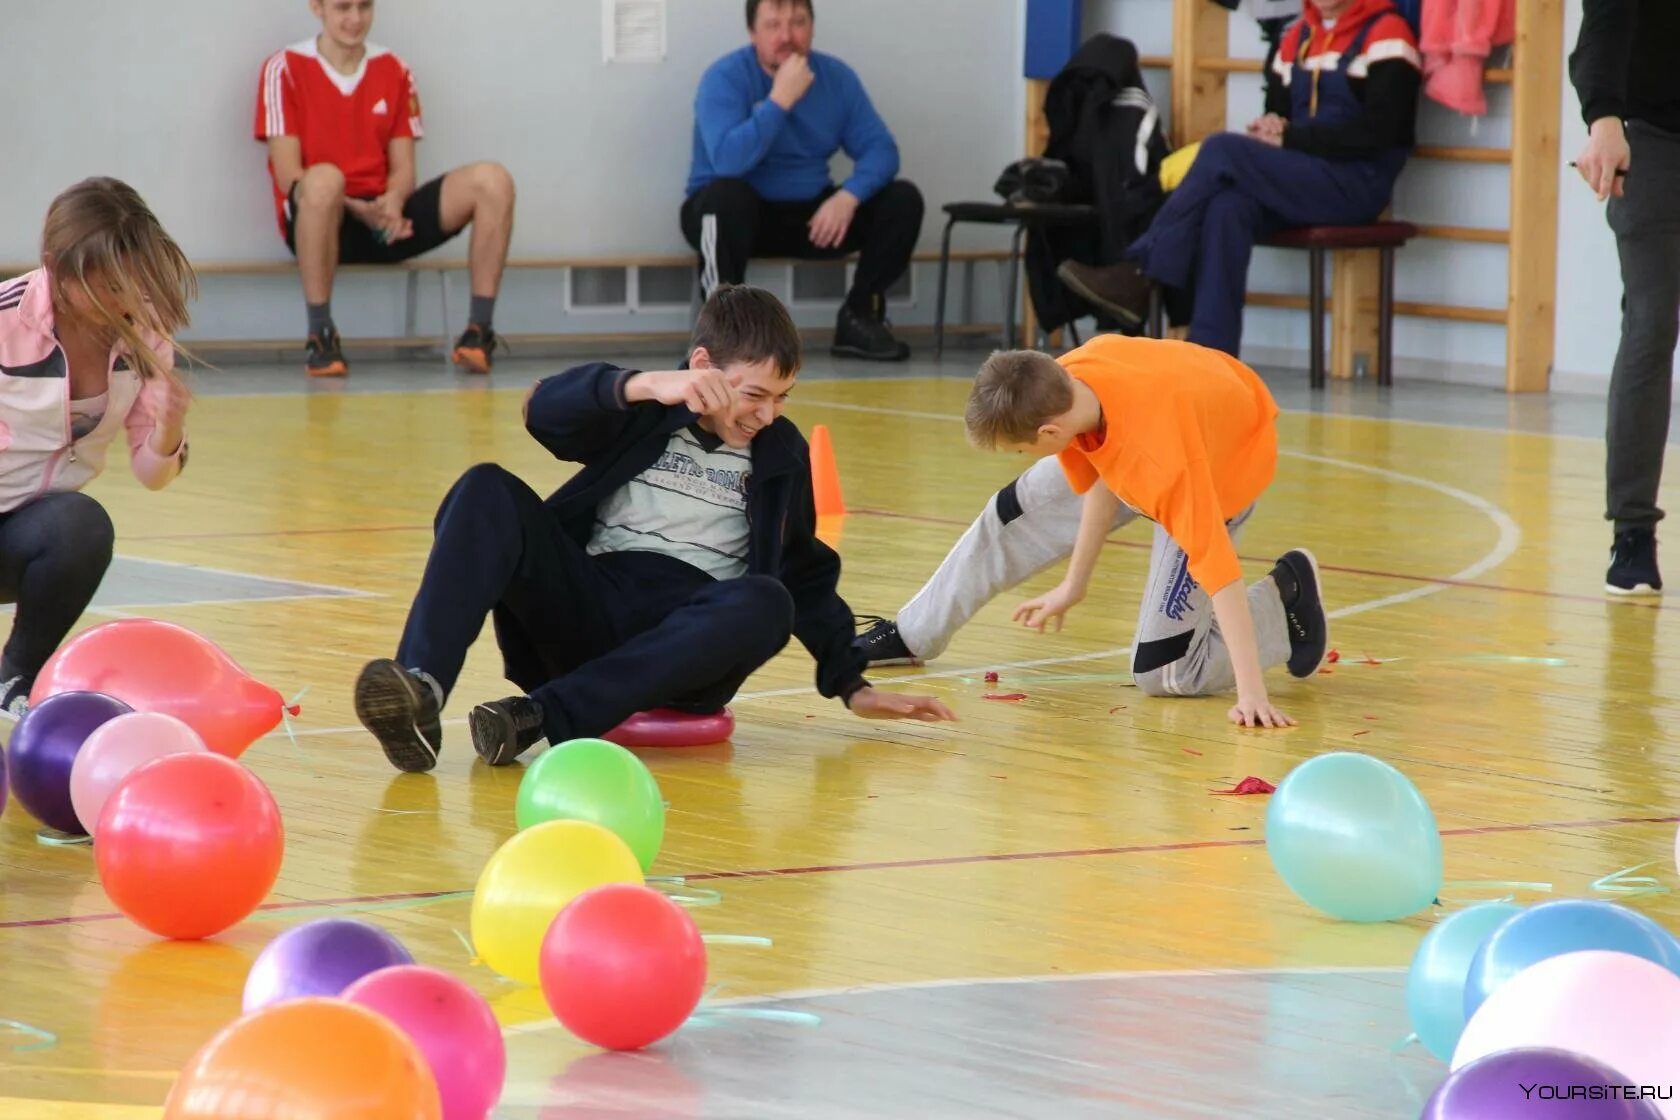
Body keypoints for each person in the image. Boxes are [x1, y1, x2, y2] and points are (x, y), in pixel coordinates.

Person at [353, 284, 954, 773]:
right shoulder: (645, 412)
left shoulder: (781, 453)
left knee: (766, 599)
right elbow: (543, 410)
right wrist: (645, 386)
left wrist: (852, 683)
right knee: (484, 487)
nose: (767, 414)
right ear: (701, 368)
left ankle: (539, 717)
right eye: (754, 394)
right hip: (589, 609)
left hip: (686, 645)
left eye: (782, 398)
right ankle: (422, 689)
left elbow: (805, 571)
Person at [860, 335, 1328, 728]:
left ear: (1046, 433)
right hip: (1183, 409)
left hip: (1224, 462)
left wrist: (1251, 693)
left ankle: (1284, 601)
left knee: (1164, 672)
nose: (1027, 458)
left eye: (1022, 450)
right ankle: (912, 634)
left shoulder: (1163, 465)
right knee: (1013, 511)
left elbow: (1219, 574)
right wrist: (1074, 584)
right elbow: (1102, 473)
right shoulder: (1065, 382)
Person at [1056, 0, 1420, 357]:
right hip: (1302, 177)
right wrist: (1273, 125)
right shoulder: (1296, 37)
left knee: (1221, 149)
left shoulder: (1388, 35)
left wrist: (1292, 138)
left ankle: (1140, 270)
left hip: (1356, 185)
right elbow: (1279, 111)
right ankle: (1212, 359)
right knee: (1226, 207)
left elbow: (1383, 134)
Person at [0, 178, 195, 718]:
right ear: (55, 268)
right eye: (107, 286)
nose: (124, 301)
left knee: (83, 526)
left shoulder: (146, 329)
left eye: (132, 282)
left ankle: (16, 679)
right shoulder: (4, 319)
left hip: (28, 531)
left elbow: (152, 473)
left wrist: (167, 429)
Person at [254, 0, 517, 378]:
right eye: (343, 7)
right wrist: (355, 207)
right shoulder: (284, 68)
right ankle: (321, 335)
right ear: (317, 8)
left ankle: (478, 333)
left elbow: (404, 168)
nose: (355, 19)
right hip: (321, 219)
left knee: (494, 179)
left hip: (385, 220)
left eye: (364, 7)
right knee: (325, 179)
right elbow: (288, 175)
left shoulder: (395, 68)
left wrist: (392, 203)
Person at [681, 0, 924, 363]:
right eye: (773, 24)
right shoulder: (724, 77)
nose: (786, 36)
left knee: (903, 199)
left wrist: (848, 197)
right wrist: (780, 99)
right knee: (726, 197)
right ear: (753, 33)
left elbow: (882, 151)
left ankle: (859, 317)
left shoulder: (836, 78)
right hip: (732, 214)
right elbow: (728, 162)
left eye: (797, 23)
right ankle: (722, 334)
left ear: (811, 27)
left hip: (812, 218)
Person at [1569, 0, 1679, 596]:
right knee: (1651, 323)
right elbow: (1608, 19)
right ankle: (1633, 531)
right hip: (1655, 134)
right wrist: (1603, 117)